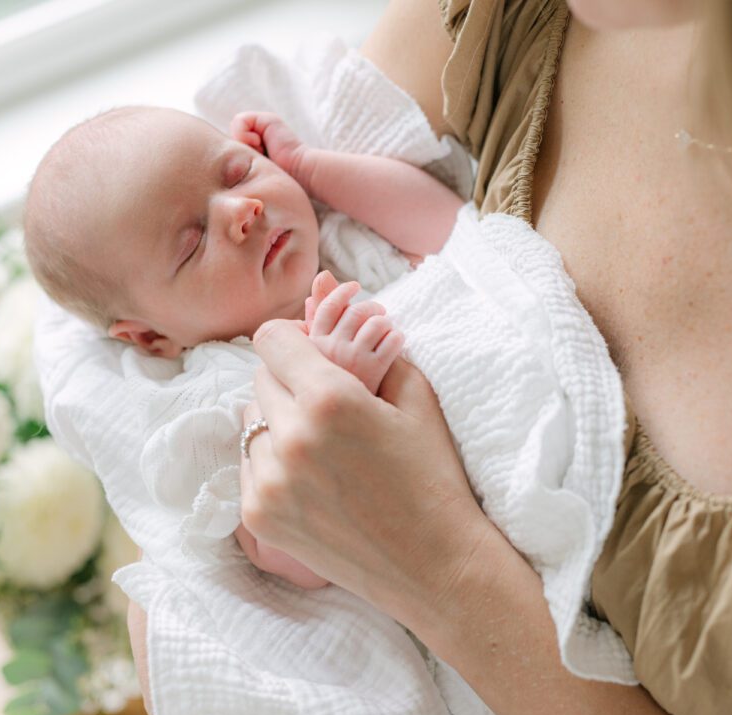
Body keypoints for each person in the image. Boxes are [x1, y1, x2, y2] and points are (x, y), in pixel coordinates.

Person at [128, 0, 732, 715]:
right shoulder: (512, 21)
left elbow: (440, 230)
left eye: (237, 181)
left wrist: (437, 563)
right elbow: (208, 566)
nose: (244, 210)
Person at [24, 105, 462, 588]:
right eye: (194, 244)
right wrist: (340, 387)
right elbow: (290, 554)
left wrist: (307, 168)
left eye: (238, 174)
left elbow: (456, 230)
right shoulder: (218, 397)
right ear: (153, 337)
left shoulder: (340, 238)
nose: (242, 210)